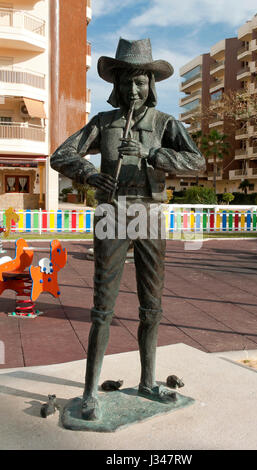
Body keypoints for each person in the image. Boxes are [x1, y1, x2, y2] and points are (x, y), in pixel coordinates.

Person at [50, 38, 206, 421]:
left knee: (151, 305)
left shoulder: (165, 123)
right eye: (127, 83)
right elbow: (61, 155)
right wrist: (89, 173)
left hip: (150, 213)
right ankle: (89, 393)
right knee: (102, 307)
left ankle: (149, 381)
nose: (134, 90)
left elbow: (197, 161)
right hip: (111, 213)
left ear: (151, 85)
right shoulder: (103, 123)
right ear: (116, 85)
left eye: (140, 82)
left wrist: (153, 154)